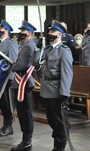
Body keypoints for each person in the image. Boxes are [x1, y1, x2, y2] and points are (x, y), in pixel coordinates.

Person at [32, 20, 73, 151]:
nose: (50, 34)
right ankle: (57, 144)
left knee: (59, 121)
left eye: (53, 31)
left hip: (57, 90)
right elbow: (35, 64)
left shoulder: (64, 51)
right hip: (46, 89)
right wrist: (38, 48)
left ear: (60, 34)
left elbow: (67, 73)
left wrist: (64, 93)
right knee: (51, 119)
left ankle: (60, 146)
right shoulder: (47, 49)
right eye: (49, 31)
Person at [10, 20, 36, 151]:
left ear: (30, 33)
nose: (20, 33)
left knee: (25, 112)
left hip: (24, 81)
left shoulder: (28, 46)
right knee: (23, 111)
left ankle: (27, 141)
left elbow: (21, 65)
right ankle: (25, 140)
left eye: (23, 31)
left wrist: (12, 66)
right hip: (21, 80)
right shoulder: (24, 44)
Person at [0, 19, 19, 137]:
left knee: (8, 103)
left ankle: (9, 126)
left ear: (6, 30)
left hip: (7, 78)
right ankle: (5, 125)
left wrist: (10, 78)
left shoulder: (11, 43)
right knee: (2, 103)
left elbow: (13, 61)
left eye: (1, 28)